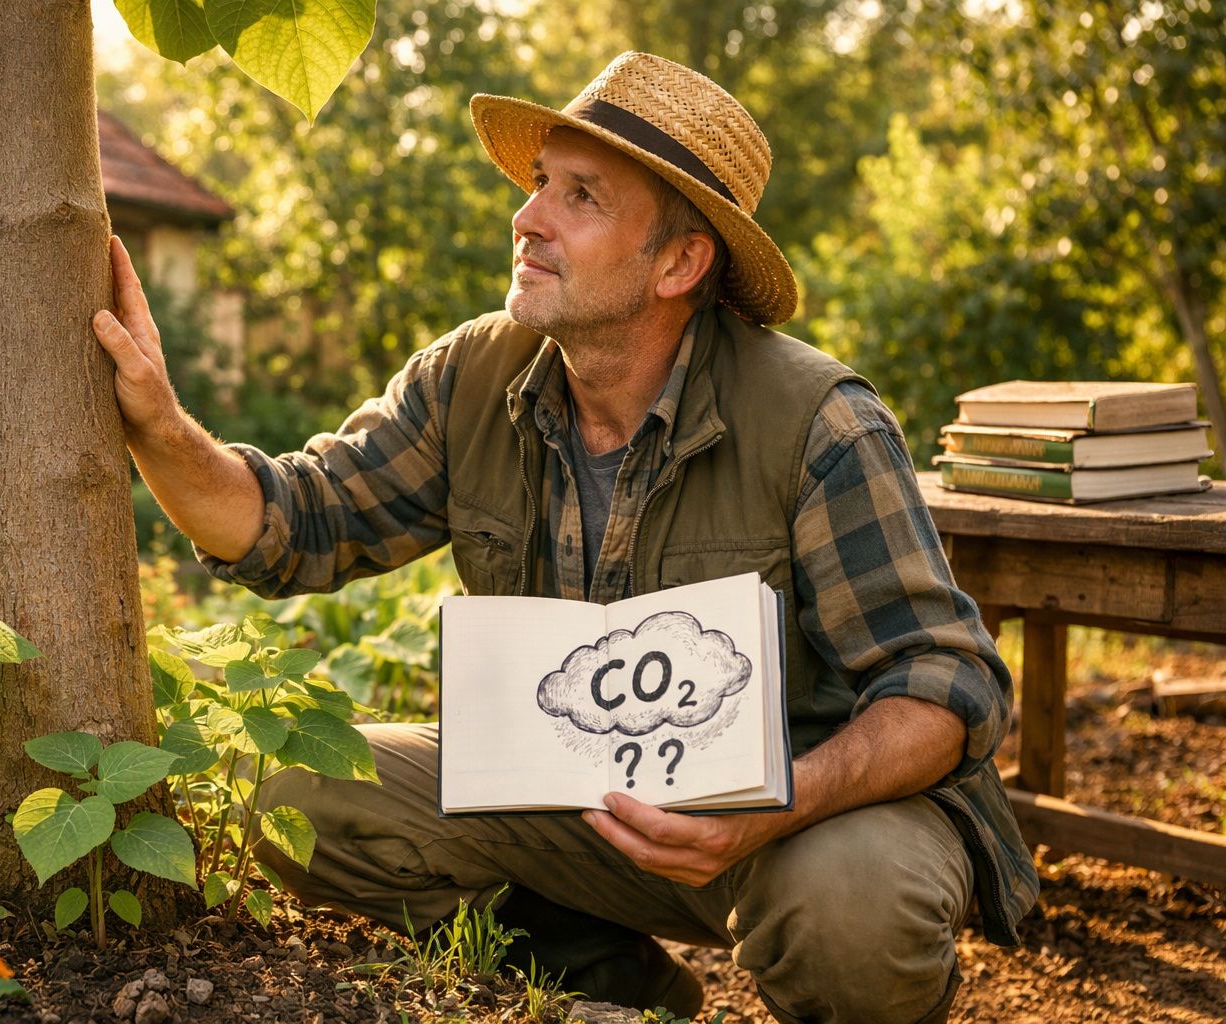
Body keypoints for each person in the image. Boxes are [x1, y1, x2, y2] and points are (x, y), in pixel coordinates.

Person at [93, 51, 1038, 1024]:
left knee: (854, 912)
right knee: (303, 794)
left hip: (805, 820)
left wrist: (777, 804)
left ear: (678, 264)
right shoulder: (470, 377)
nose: (528, 216)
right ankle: (612, 981)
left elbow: (945, 684)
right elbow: (299, 520)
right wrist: (159, 427)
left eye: (579, 195)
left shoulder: (818, 423)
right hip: (579, 800)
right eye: (541, 181)